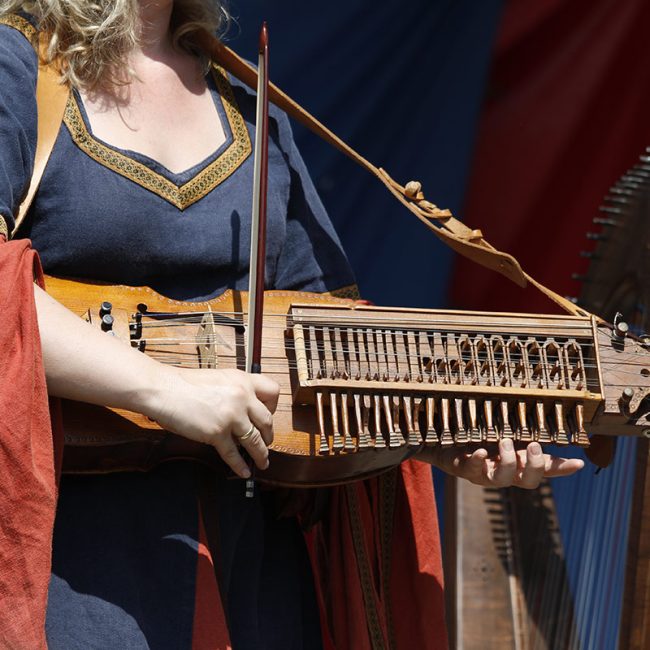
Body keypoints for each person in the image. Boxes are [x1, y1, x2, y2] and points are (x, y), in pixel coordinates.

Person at [0, 2, 584, 648]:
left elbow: (337, 356)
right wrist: (166, 391)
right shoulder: (20, 68)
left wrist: (445, 433)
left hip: (253, 581)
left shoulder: (251, 110)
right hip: (73, 577)